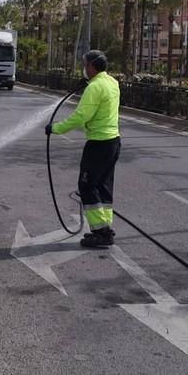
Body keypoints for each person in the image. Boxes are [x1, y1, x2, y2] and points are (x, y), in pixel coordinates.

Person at [45, 50, 121, 248]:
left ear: (91, 67)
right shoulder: (112, 83)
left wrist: (55, 129)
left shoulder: (95, 87)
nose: (83, 68)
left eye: (85, 64)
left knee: (87, 186)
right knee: (103, 186)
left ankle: (101, 232)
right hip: (113, 142)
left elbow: (81, 116)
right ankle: (104, 228)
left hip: (98, 144)